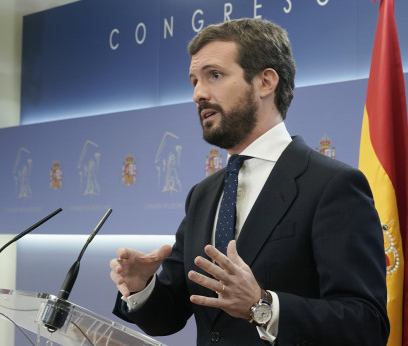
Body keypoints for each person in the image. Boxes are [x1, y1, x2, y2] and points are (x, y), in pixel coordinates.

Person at [110, 18, 389, 345]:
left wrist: (263, 305)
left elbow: (366, 324)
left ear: (265, 82)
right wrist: (143, 286)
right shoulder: (203, 195)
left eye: (214, 76)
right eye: (194, 81)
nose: (198, 94)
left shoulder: (333, 185)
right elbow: (170, 316)